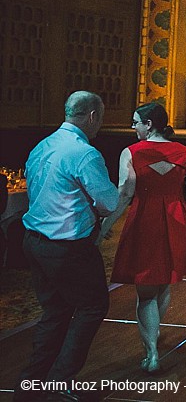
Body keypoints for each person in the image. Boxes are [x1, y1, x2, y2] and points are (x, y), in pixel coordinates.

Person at [15, 91, 118, 401]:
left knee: (55, 312)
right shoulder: (83, 153)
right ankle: (60, 382)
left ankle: (31, 386)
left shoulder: (42, 146)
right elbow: (110, 202)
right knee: (92, 306)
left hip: (35, 242)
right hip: (67, 249)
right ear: (92, 117)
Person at [105, 103, 186, 374]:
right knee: (164, 283)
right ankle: (154, 337)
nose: (133, 127)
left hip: (145, 219)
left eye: (136, 122)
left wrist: (104, 226)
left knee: (145, 291)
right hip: (177, 219)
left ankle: (152, 352)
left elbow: (124, 194)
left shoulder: (131, 153)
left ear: (149, 124)